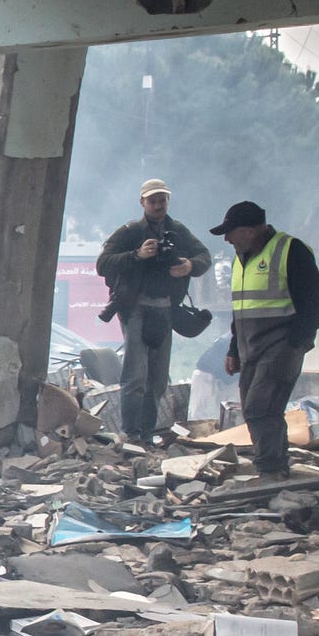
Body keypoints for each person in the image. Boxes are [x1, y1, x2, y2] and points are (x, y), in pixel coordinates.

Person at [213, 199, 319, 479]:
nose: (227, 239)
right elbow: (240, 310)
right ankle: (276, 467)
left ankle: (269, 472)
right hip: (250, 349)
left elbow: (318, 305)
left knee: (260, 407)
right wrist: (234, 349)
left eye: (231, 232)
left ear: (250, 230)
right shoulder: (240, 260)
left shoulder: (290, 251)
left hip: (280, 348)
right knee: (257, 410)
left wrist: (294, 342)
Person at [95, 177, 212, 444]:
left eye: (162, 200)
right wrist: (136, 255)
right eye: (153, 201)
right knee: (135, 375)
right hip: (136, 308)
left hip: (165, 309)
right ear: (142, 202)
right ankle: (131, 433)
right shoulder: (130, 232)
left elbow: (204, 256)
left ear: (168, 201)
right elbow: (103, 264)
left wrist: (189, 266)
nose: (158, 205)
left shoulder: (177, 231)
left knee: (158, 379)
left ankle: (147, 435)